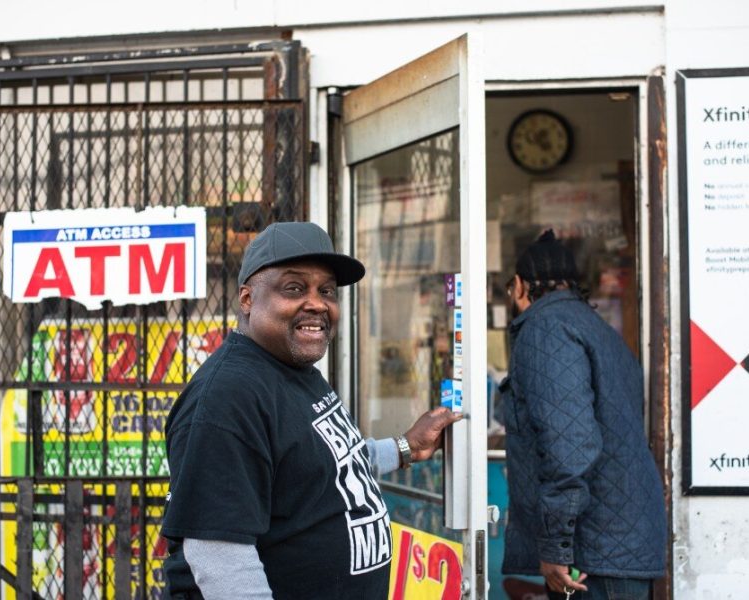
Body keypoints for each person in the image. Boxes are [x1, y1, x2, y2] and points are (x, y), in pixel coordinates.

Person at [161, 221, 461, 599]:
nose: (318, 303)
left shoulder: (290, 368)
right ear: (248, 298)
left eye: (328, 291)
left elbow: (324, 466)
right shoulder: (227, 397)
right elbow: (220, 557)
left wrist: (405, 448)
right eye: (294, 288)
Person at [500, 230, 666, 600]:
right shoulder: (595, 329)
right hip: (617, 546)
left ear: (522, 285)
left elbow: (570, 447)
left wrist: (556, 548)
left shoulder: (545, 330)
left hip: (595, 556)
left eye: (510, 288)